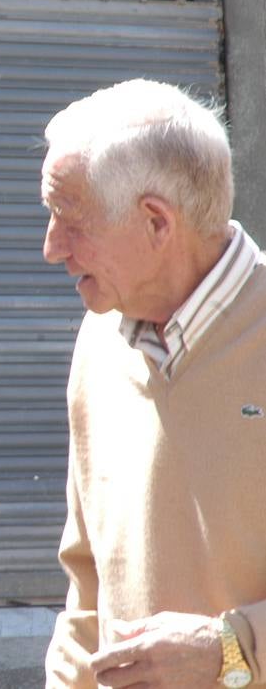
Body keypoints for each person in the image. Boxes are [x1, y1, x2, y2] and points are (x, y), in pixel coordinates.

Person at [40, 80, 266, 689]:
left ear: (156, 222)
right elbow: (86, 590)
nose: (50, 248)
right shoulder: (99, 340)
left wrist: (232, 651)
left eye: (70, 220)